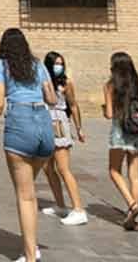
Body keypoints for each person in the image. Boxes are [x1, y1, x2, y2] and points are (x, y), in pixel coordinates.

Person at [0, 29, 57, 262]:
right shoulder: (37, 64)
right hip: (44, 127)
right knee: (29, 192)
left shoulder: (2, 66)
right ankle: (32, 246)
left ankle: (30, 256)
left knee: (25, 196)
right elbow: (52, 99)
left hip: (20, 123)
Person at [40, 51, 88, 226]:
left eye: (61, 63)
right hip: (45, 123)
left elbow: (73, 106)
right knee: (47, 167)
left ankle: (78, 209)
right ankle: (60, 204)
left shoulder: (66, 83)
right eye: (56, 63)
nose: (59, 66)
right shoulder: (42, 82)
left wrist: (79, 128)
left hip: (59, 123)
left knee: (63, 168)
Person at [102, 51, 138, 230]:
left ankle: (132, 205)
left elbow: (110, 114)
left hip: (120, 131)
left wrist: (105, 108)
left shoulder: (110, 86)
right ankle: (132, 219)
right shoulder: (137, 84)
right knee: (134, 175)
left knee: (114, 170)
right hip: (137, 131)